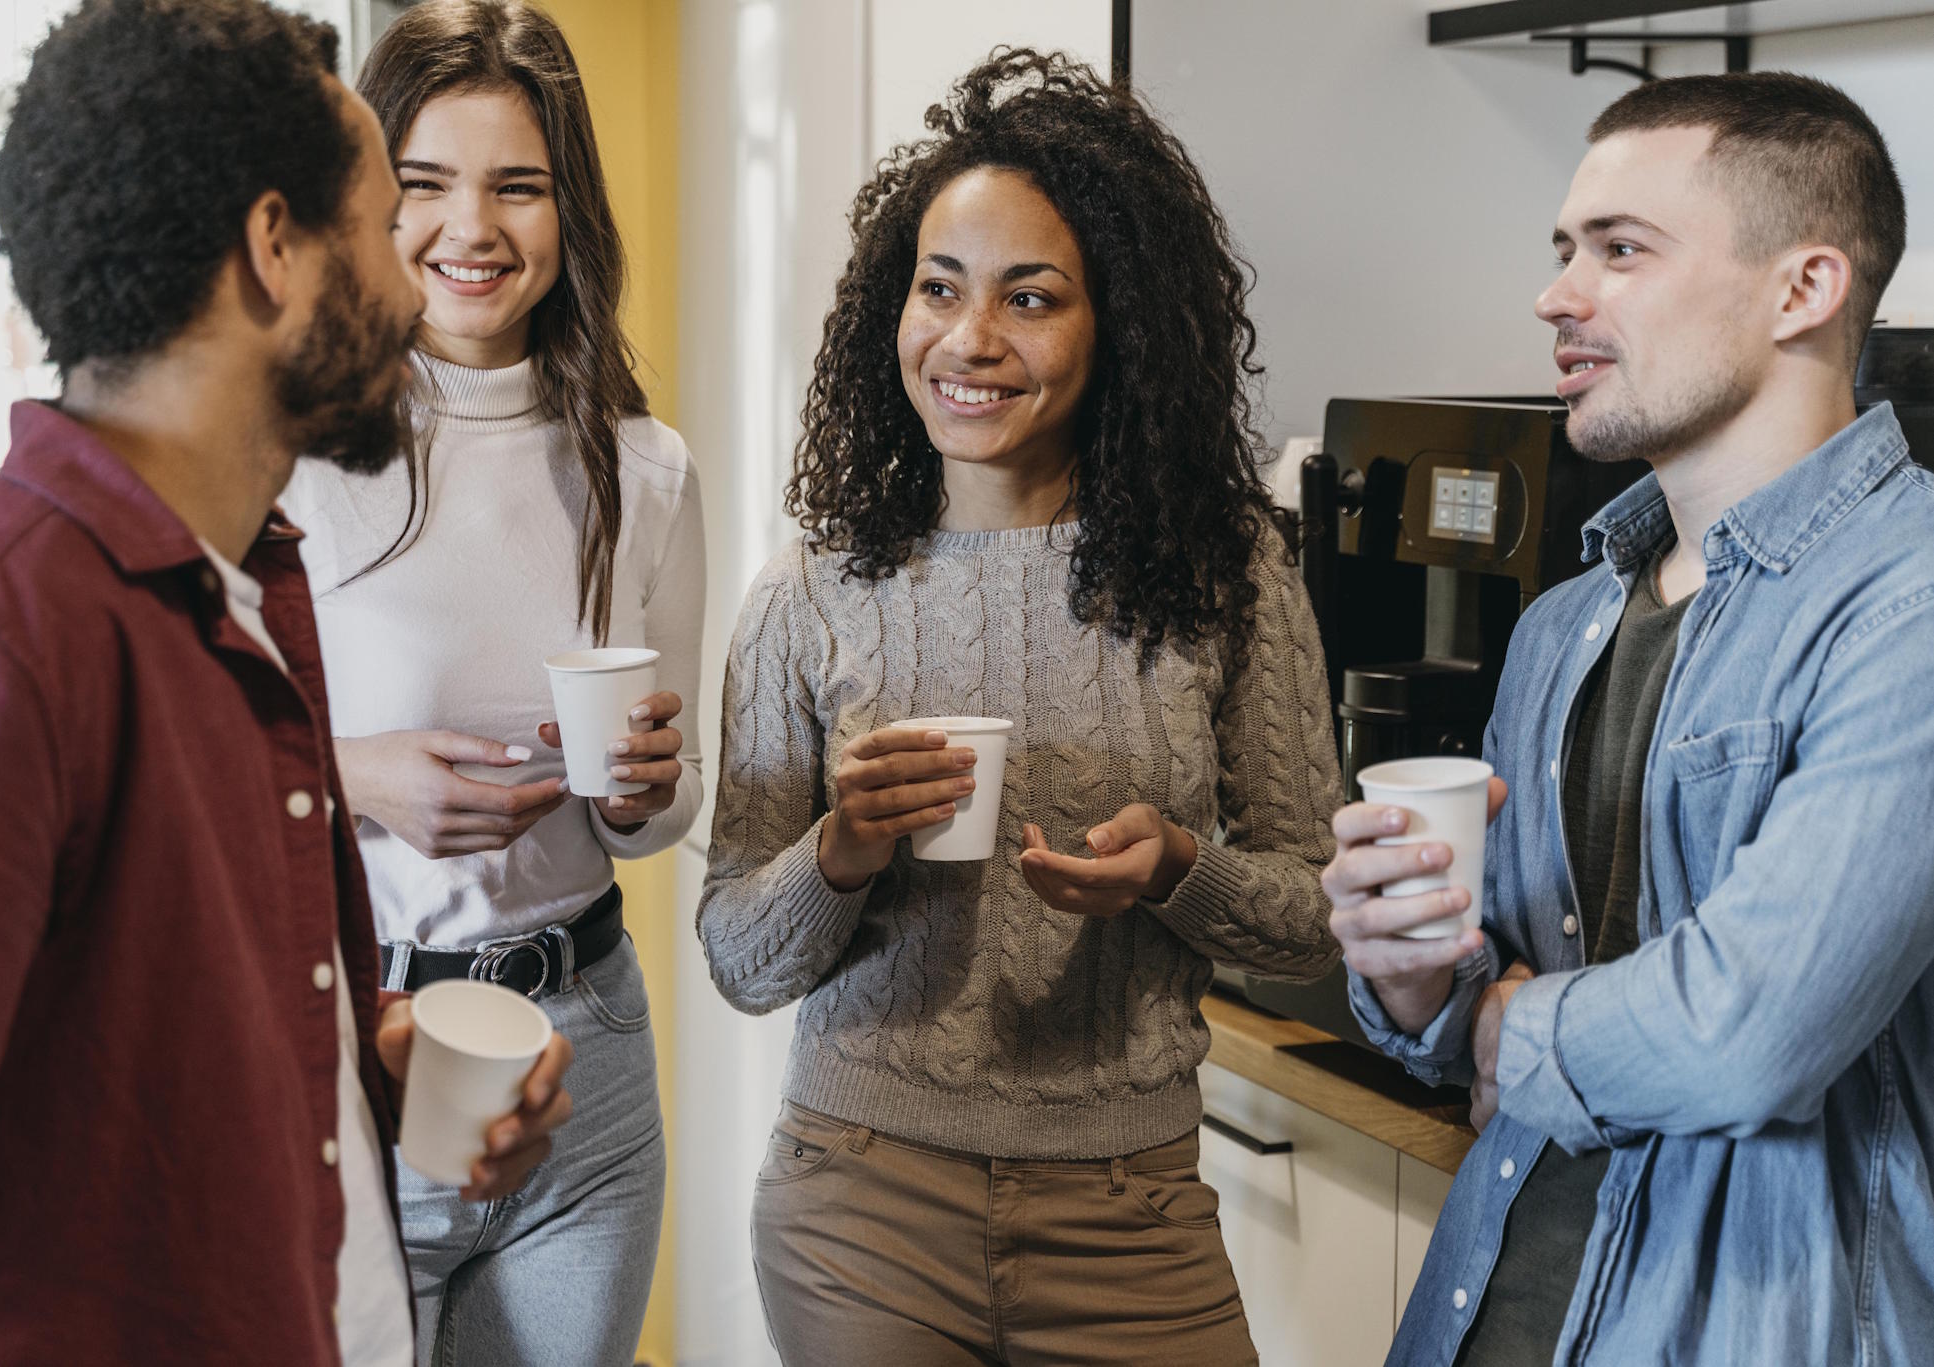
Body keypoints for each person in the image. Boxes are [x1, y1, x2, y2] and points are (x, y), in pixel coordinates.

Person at [0, 2, 575, 1363]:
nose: (413, 277)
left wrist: (348, 1063)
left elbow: (122, 1031)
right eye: (384, 226)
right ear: (276, 249)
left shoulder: (243, 587)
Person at [698, 49, 1339, 1367]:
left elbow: (1312, 926)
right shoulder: (809, 594)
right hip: (859, 1204)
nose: (968, 340)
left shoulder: (1227, 572)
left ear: (1120, 327)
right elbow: (737, 956)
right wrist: (840, 851)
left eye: (1029, 298)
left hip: (1132, 1216)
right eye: (938, 288)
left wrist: (1178, 872)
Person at [1330, 72, 1934, 1365]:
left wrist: (1508, 1026)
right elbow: (1469, 999)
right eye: (1561, 252)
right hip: (1497, 1302)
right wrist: (1412, 969)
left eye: (1618, 251)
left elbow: (1751, 1029)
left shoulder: (1911, 609)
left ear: (1802, 289)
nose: (1557, 296)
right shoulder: (1562, 624)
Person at [279, 3, 702, 1362]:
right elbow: (197, 759)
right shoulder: (287, 453)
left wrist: (645, 789)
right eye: (424, 186)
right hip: (363, 1045)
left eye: (518, 186)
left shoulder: (645, 469)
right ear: (366, 203)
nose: (474, 229)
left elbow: (660, 811)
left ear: (566, 208)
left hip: (585, 1048)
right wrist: (360, 783)